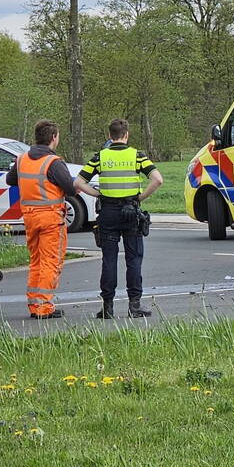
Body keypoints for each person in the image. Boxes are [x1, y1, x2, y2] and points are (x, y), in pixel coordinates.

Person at [75, 119, 163, 319]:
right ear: (126, 135)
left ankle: (108, 307)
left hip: (108, 213)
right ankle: (134, 306)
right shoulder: (137, 156)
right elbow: (158, 179)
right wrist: (140, 197)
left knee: (109, 260)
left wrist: (97, 195)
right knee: (134, 260)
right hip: (131, 212)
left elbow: (78, 182)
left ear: (110, 136)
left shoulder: (100, 157)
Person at [5, 120, 83, 320]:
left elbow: (10, 180)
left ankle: (34, 305)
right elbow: (71, 188)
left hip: (30, 217)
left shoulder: (22, 159)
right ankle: (43, 307)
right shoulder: (53, 162)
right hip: (50, 218)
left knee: (36, 261)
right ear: (53, 137)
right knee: (51, 262)